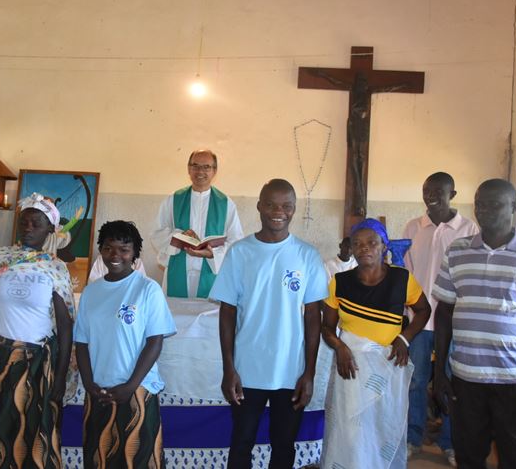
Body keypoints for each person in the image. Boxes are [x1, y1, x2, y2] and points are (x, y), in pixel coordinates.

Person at [433, 178, 516, 469]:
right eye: (480, 203)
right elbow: (443, 313)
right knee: (468, 457)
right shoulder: (457, 252)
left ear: (515, 207)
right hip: (466, 377)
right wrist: (440, 372)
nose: (484, 210)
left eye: (494, 204)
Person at [209, 179, 327, 469]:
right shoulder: (240, 252)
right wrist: (229, 368)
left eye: (286, 206)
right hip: (247, 370)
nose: (279, 212)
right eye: (272, 205)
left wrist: (309, 373)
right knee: (241, 443)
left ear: (294, 210)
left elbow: (314, 317)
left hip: (290, 371)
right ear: (259, 206)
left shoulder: (307, 255)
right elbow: (227, 312)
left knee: (284, 445)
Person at [0, 192, 74, 469]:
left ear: (50, 229)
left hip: (38, 361)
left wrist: (60, 377)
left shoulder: (55, 267)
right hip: (1, 358)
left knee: (37, 433)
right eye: (24, 222)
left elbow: (65, 326)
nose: (28, 229)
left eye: (36, 224)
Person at [320, 218, 432, 468]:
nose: (364, 248)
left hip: (388, 365)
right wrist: (340, 347)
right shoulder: (340, 282)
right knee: (351, 430)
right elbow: (326, 327)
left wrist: (405, 338)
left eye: (372, 242)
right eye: (357, 243)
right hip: (351, 368)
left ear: (384, 246)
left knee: (383, 426)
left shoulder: (402, 279)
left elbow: (424, 310)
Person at [75, 221, 176, 468]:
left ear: (135, 254)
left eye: (124, 249)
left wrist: (130, 386)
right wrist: (89, 384)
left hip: (137, 390)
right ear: (101, 250)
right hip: (99, 390)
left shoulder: (147, 289)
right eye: (109, 248)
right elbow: (81, 343)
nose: (116, 255)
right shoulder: (91, 292)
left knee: (137, 458)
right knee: (99, 456)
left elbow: (155, 342)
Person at [402, 172, 478, 466]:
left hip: (454, 321)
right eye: (426, 189)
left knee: (451, 383)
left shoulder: (468, 228)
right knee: (416, 381)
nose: (431, 194)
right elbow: (405, 270)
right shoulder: (413, 227)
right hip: (418, 320)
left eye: (438, 190)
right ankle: (413, 436)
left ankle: (450, 442)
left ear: (453, 194)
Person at [150, 149, 243, 298]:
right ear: (188, 168)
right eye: (195, 166)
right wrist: (179, 236)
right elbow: (157, 233)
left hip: (210, 275)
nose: (200, 171)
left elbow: (236, 241)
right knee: (176, 318)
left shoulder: (226, 204)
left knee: (207, 319)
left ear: (215, 170)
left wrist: (212, 253)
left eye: (206, 167)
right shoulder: (173, 199)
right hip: (178, 272)